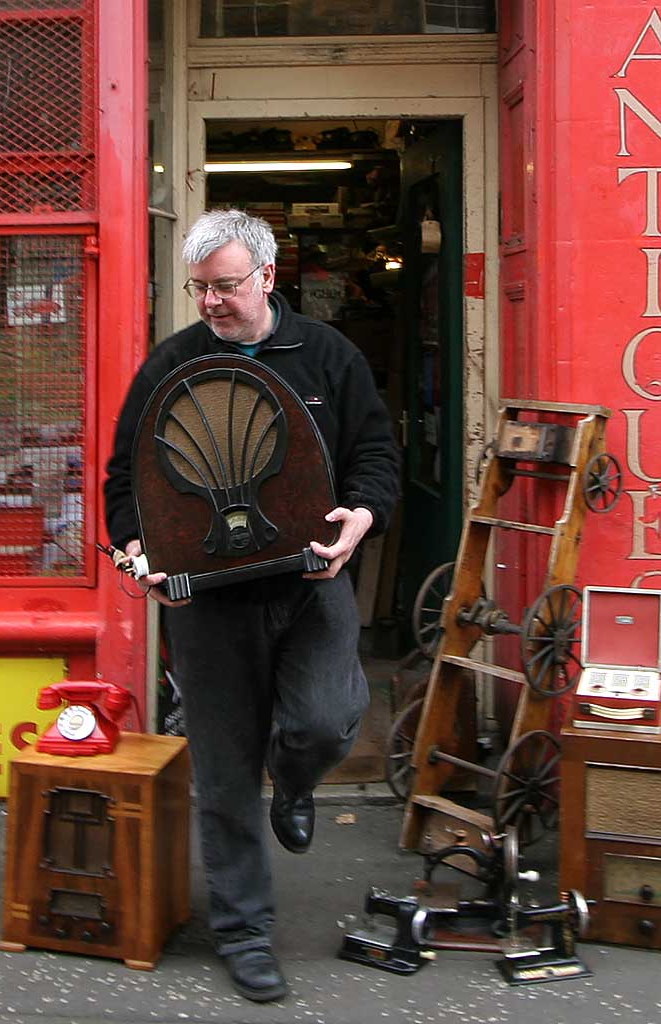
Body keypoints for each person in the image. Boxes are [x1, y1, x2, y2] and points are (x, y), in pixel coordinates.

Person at [104, 209, 400, 1003]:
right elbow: (124, 480)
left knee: (325, 721)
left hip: (308, 584)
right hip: (207, 605)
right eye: (199, 288)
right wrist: (136, 551)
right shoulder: (171, 364)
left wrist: (361, 517)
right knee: (225, 776)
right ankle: (244, 933)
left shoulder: (329, 356)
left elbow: (374, 454)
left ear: (267, 277)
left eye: (225, 286)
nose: (210, 301)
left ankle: (297, 780)